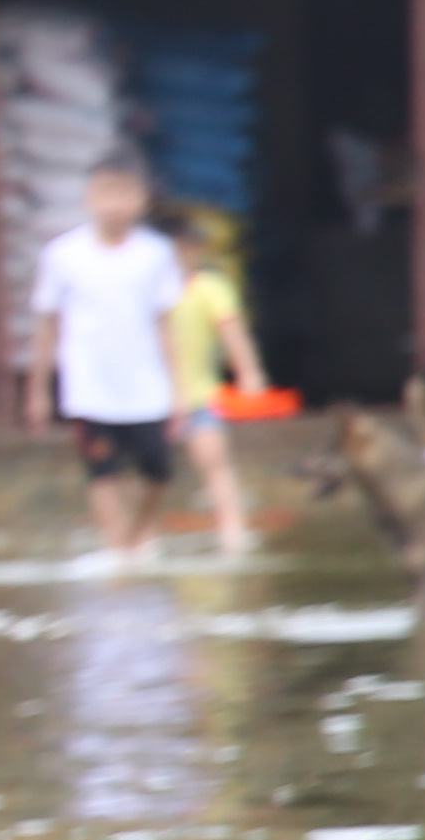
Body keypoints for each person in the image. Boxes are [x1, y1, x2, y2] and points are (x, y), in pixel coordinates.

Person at [26, 152, 192, 563]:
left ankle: (137, 535)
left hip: (145, 385)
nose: (114, 203)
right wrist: (39, 391)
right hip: (89, 386)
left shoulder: (156, 254)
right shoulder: (63, 255)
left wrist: (179, 389)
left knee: (159, 472)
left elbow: (165, 325)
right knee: (102, 473)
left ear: (142, 199)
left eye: (124, 192)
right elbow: (48, 325)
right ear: (88, 197)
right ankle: (116, 549)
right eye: (105, 192)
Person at [162, 200, 277, 553]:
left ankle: (233, 532)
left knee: (215, 463)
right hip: (151, 400)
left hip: (200, 395)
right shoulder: (147, 291)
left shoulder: (210, 288)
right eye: (181, 246)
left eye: (193, 246)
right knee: (146, 474)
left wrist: (250, 372)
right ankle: (141, 539)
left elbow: (233, 332)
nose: (188, 253)